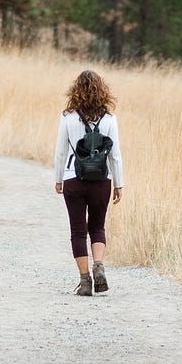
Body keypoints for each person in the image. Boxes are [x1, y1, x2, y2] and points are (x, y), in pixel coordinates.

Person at [54, 70, 124, 296]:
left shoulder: (67, 117)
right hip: (102, 180)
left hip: (73, 178)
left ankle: (85, 281)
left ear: (76, 90)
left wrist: (58, 179)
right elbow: (115, 155)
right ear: (102, 91)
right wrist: (119, 183)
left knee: (77, 231)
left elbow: (60, 153)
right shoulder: (110, 119)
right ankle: (99, 265)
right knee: (97, 226)